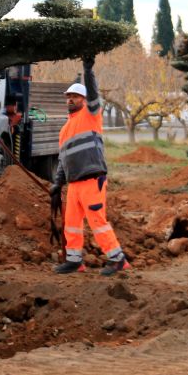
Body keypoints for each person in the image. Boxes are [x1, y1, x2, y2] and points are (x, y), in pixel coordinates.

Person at [49, 56, 131, 276]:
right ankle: (74, 261)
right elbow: (63, 160)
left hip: (92, 179)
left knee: (97, 221)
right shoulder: (64, 130)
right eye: (68, 97)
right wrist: (57, 184)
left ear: (84, 100)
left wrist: (88, 70)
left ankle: (118, 259)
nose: (71, 99)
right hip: (74, 183)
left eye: (75, 96)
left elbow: (94, 93)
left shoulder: (91, 114)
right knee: (71, 223)